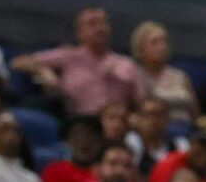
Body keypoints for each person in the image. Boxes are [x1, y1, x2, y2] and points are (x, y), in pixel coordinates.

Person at [12, 7, 145, 116]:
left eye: (103, 23)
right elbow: (19, 62)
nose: (100, 28)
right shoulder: (68, 55)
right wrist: (44, 71)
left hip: (118, 126)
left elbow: (141, 103)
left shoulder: (126, 63)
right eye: (92, 24)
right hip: (79, 122)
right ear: (79, 33)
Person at [129, 22, 197, 124]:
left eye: (164, 42)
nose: (162, 47)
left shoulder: (180, 76)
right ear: (140, 49)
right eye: (155, 43)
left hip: (185, 131)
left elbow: (195, 113)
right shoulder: (135, 76)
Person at [41, 115, 105, 182]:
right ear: (67, 142)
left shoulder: (110, 172)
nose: (85, 142)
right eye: (77, 136)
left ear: (100, 142)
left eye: (91, 136)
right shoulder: (55, 171)